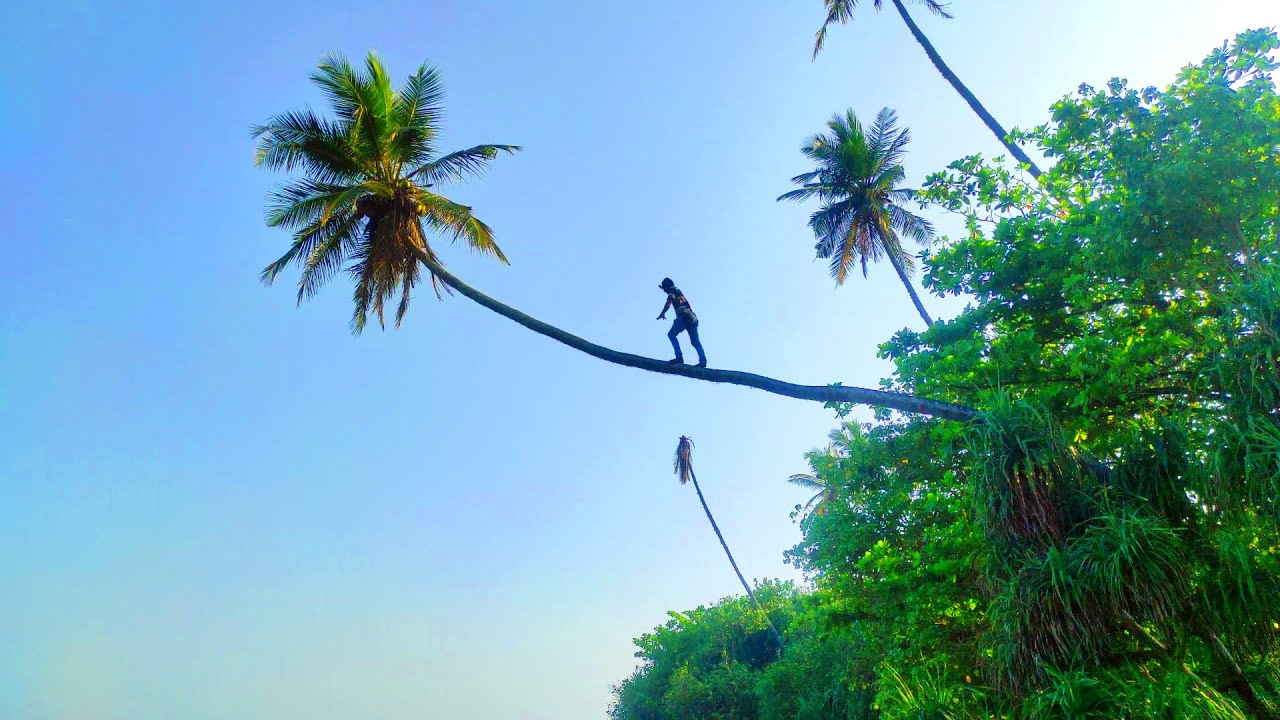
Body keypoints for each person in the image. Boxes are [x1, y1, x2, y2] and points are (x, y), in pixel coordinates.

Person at [657, 277, 707, 367]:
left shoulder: (672, 290)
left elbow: (669, 301)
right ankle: (703, 361)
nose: (664, 291)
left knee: (671, 334)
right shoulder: (677, 290)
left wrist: (662, 313)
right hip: (692, 317)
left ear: (667, 286)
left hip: (684, 316)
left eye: (664, 289)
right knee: (695, 341)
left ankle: (679, 357)